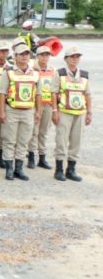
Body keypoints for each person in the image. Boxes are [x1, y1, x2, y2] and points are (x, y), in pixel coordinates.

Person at [0, 41, 39, 181]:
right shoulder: (8, 71)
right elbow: (2, 93)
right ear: (15, 56)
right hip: (12, 110)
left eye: (27, 53)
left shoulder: (35, 72)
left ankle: (19, 169)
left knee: (23, 141)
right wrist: (2, 112)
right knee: (9, 140)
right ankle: (9, 169)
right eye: (21, 54)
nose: (24, 56)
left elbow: (37, 94)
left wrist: (38, 111)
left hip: (28, 111)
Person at [52, 45, 90, 182]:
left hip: (79, 112)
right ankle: (59, 169)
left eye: (77, 57)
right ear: (66, 59)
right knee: (61, 140)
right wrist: (55, 111)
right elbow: (54, 92)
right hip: (64, 112)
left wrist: (89, 113)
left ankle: (71, 169)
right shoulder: (60, 73)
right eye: (72, 57)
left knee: (76, 141)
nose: (75, 59)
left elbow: (87, 94)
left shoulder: (84, 74)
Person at [30, 45, 56, 170]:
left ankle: (42, 158)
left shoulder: (53, 70)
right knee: (34, 131)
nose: (45, 57)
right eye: (42, 55)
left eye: (47, 55)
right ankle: (31, 156)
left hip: (48, 104)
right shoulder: (32, 69)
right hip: (35, 105)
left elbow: (56, 88)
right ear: (37, 56)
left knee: (43, 132)